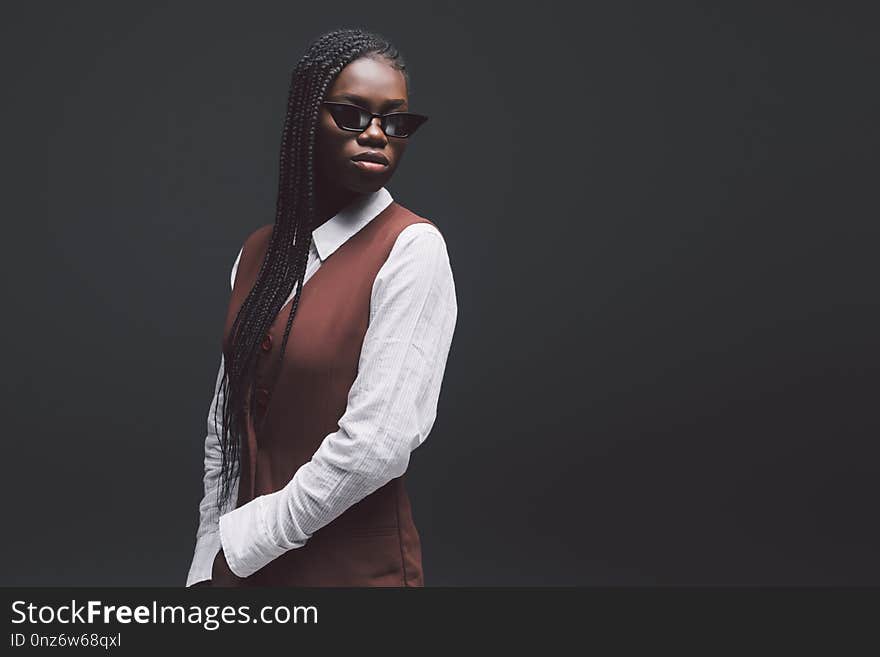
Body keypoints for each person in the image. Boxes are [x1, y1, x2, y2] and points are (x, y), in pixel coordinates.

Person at [185, 27, 457, 587]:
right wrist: (208, 554)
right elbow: (225, 425)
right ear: (307, 119)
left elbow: (375, 447)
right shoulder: (259, 253)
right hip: (244, 575)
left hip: (354, 575)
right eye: (353, 116)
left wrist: (246, 542)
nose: (378, 135)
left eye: (396, 121)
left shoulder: (411, 248)